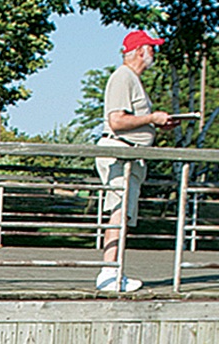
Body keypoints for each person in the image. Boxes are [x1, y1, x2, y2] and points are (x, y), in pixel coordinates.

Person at [94, 29, 176, 292]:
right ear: (141, 50)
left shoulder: (132, 80)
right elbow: (116, 120)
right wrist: (152, 119)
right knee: (118, 213)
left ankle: (114, 271)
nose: (154, 53)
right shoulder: (123, 77)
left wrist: (155, 125)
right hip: (121, 153)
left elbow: (130, 121)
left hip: (131, 155)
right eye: (152, 48)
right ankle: (109, 274)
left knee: (124, 214)